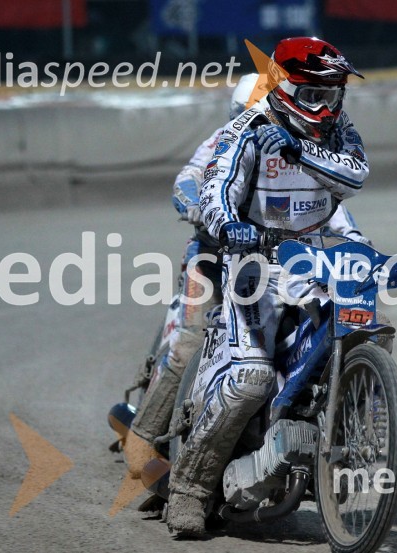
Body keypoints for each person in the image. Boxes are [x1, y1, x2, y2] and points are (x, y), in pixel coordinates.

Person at [123, 71, 371, 480]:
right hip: (212, 257)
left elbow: (331, 208)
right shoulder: (226, 140)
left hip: (278, 264)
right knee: (189, 343)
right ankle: (142, 440)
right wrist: (200, 209)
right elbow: (187, 182)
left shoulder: (300, 148)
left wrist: (356, 240)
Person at [167, 37, 368, 536]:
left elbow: (355, 177)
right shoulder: (247, 131)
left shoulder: (339, 130)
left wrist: (301, 152)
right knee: (251, 378)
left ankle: (342, 440)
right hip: (254, 267)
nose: (326, 106)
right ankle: (189, 491)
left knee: (360, 327)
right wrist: (228, 226)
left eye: (332, 94)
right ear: (284, 89)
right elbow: (215, 189)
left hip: (315, 263)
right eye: (314, 94)